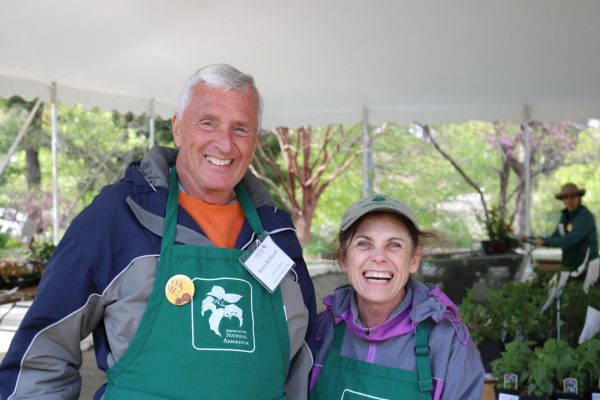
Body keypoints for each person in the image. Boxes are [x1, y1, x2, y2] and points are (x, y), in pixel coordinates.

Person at [0, 64, 316, 399]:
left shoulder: (276, 232)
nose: (224, 144)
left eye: (241, 129)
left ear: (255, 140)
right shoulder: (116, 218)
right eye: (208, 123)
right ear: (178, 129)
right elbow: (42, 354)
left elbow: (306, 360)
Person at [309, 194, 484, 400]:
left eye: (394, 245)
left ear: (413, 259)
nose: (379, 257)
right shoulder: (320, 332)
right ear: (343, 259)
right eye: (364, 243)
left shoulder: (448, 342)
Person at [529, 182, 598, 273]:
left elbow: (571, 240)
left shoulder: (584, 216)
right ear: (562, 200)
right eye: (566, 197)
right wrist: (535, 239)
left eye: (573, 196)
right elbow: (557, 235)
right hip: (569, 266)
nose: (570, 200)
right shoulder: (565, 216)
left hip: (587, 268)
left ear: (578, 197)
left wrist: (545, 242)